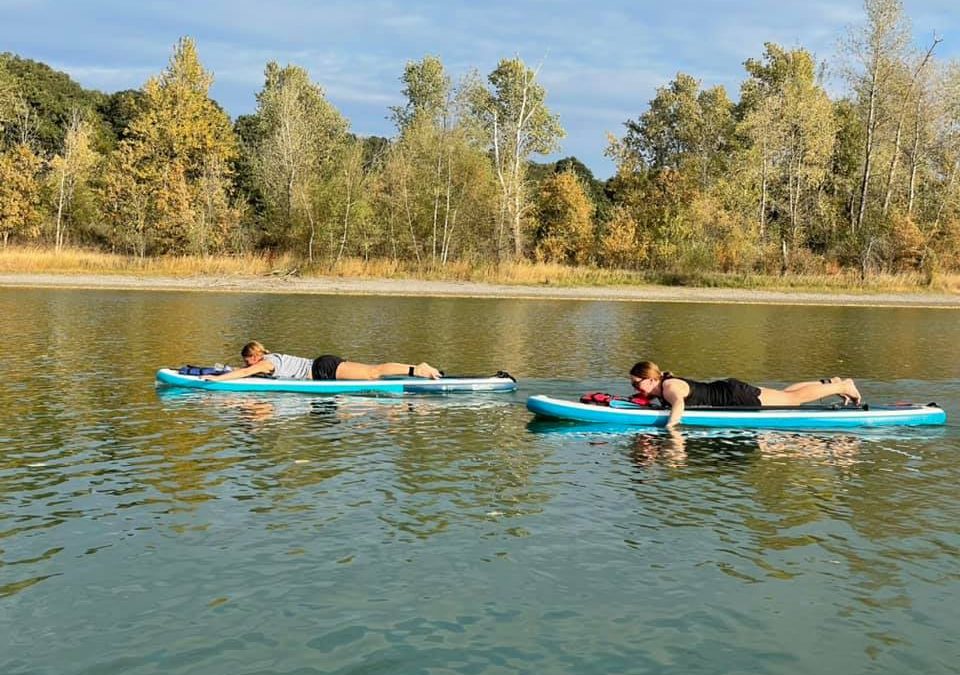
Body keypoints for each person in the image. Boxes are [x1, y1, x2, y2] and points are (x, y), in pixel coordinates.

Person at [629, 360, 862, 428]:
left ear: (651, 379)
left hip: (735, 397)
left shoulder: (670, 387)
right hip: (729, 390)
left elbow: (678, 404)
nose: (635, 388)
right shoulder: (662, 386)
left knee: (792, 401)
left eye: (637, 384)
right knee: (785, 396)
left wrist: (672, 429)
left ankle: (842, 387)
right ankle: (830, 383)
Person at [202, 340, 442, 382]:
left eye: (247, 361)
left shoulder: (266, 362)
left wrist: (216, 379)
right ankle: (414, 372)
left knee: (373, 372)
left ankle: (417, 369)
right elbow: (243, 372)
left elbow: (244, 375)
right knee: (372, 373)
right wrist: (224, 370)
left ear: (256, 356)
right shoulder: (267, 362)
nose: (246, 366)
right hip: (322, 366)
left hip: (322, 369)